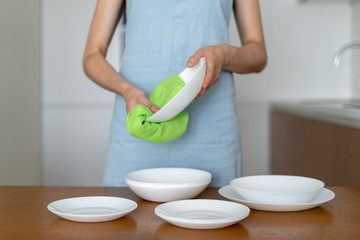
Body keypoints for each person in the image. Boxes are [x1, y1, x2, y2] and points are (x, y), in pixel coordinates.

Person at [83, 0, 267, 187]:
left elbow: (258, 54)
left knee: (216, 210)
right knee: (130, 212)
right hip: (138, 128)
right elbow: (92, 55)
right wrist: (126, 89)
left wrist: (223, 55)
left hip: (213, 132)